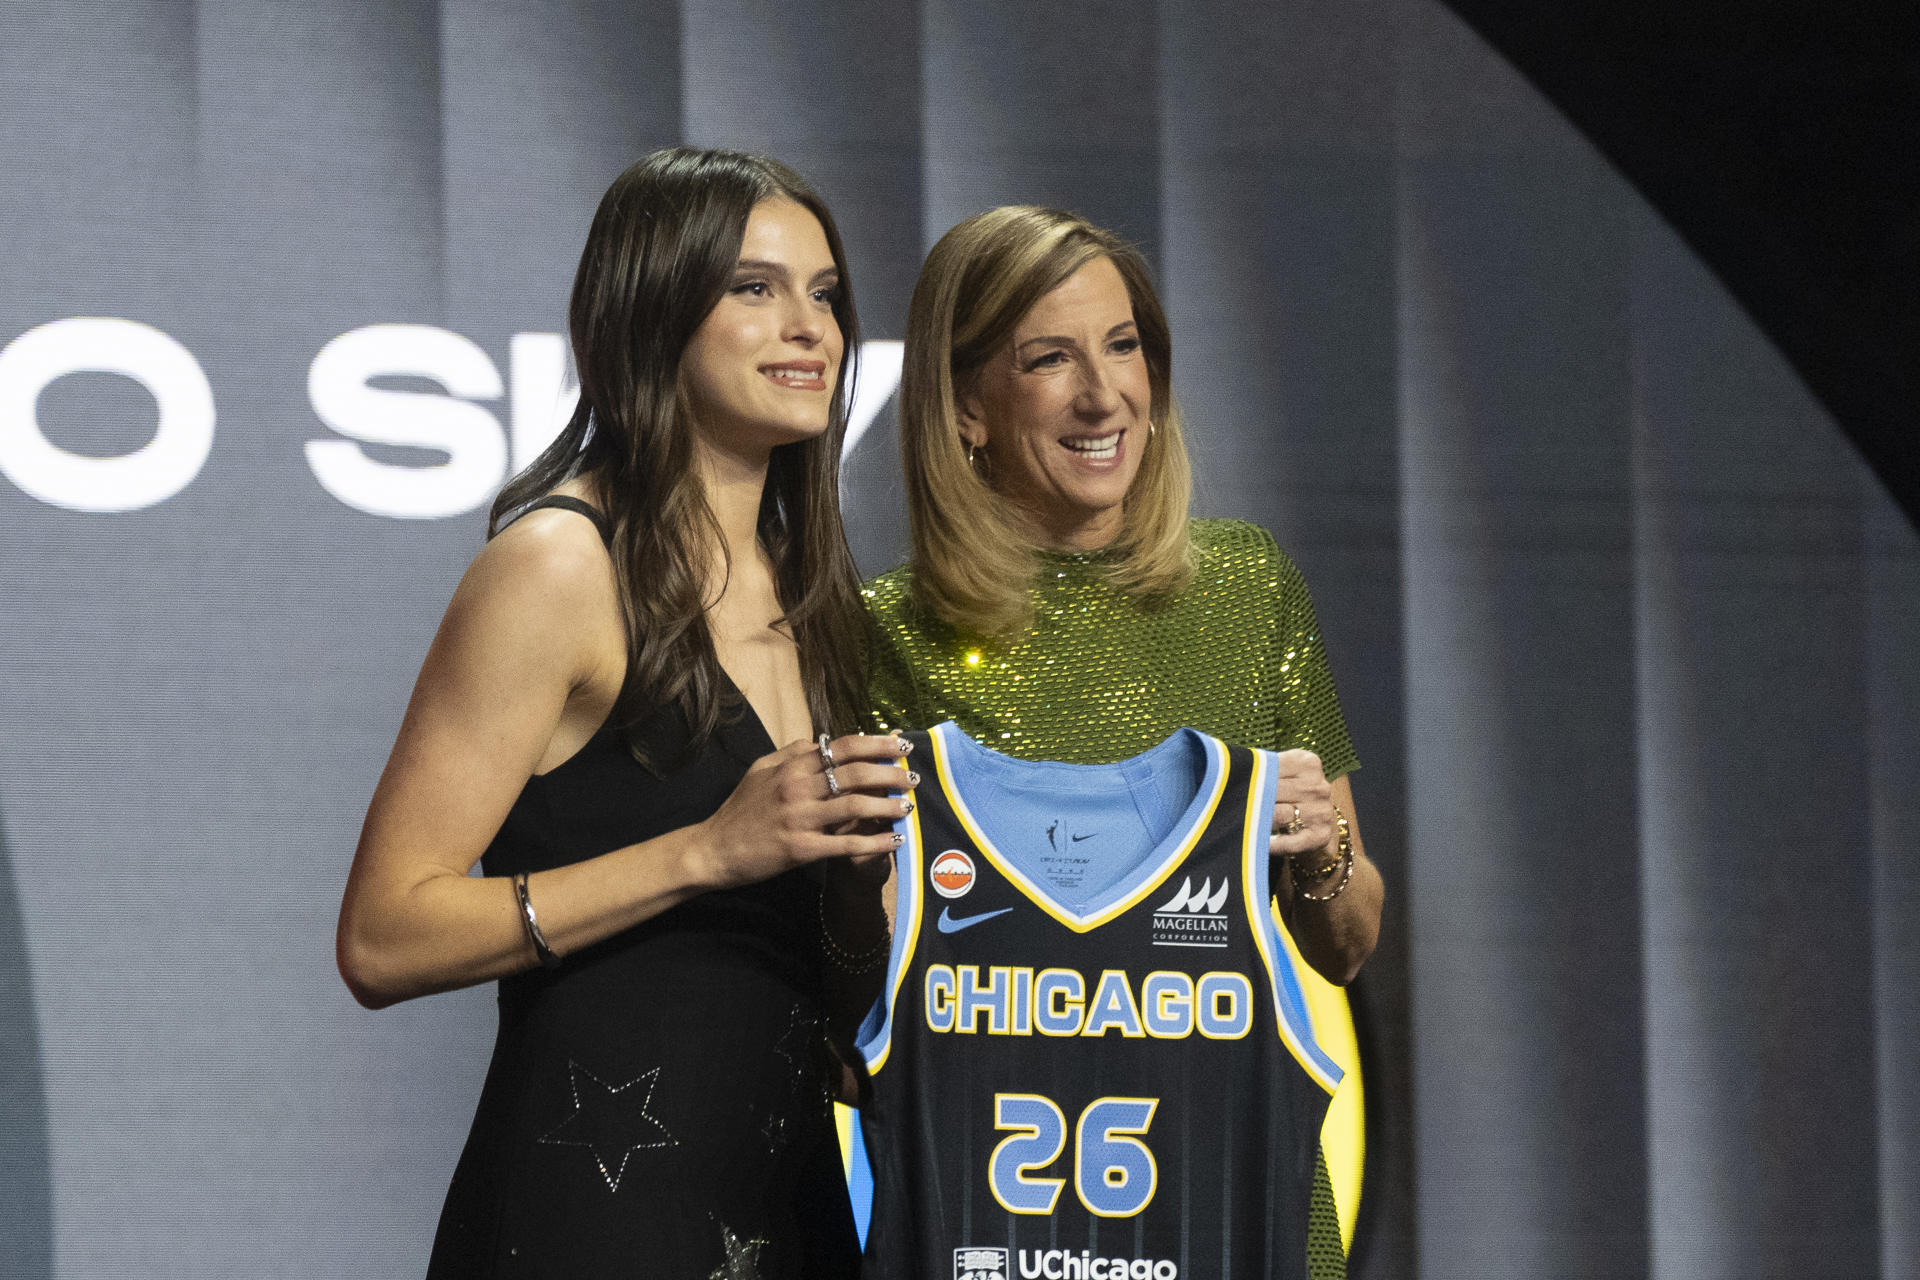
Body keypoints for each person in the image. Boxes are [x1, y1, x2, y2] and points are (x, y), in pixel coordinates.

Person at [335, 148, 907, 1279]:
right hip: (593, 1222)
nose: (809, 329)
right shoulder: (558, 564)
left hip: (789, 1212)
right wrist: (703, 850)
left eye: (826, 295)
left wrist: (860, 902)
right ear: (651, 309)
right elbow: (383, 933)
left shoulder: (824, 598)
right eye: (754, 288)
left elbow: (844, 1004)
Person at [861, 205, 1383, 1279]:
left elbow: (1348, 940)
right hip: (986, 1227)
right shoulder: (885, 631)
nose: (1105, 394)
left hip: (1230, 1216)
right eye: (1049, 358)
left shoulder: (1248, 588)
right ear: (966, 407)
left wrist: (1322, 849)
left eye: (1124, 344)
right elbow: (852, 980)